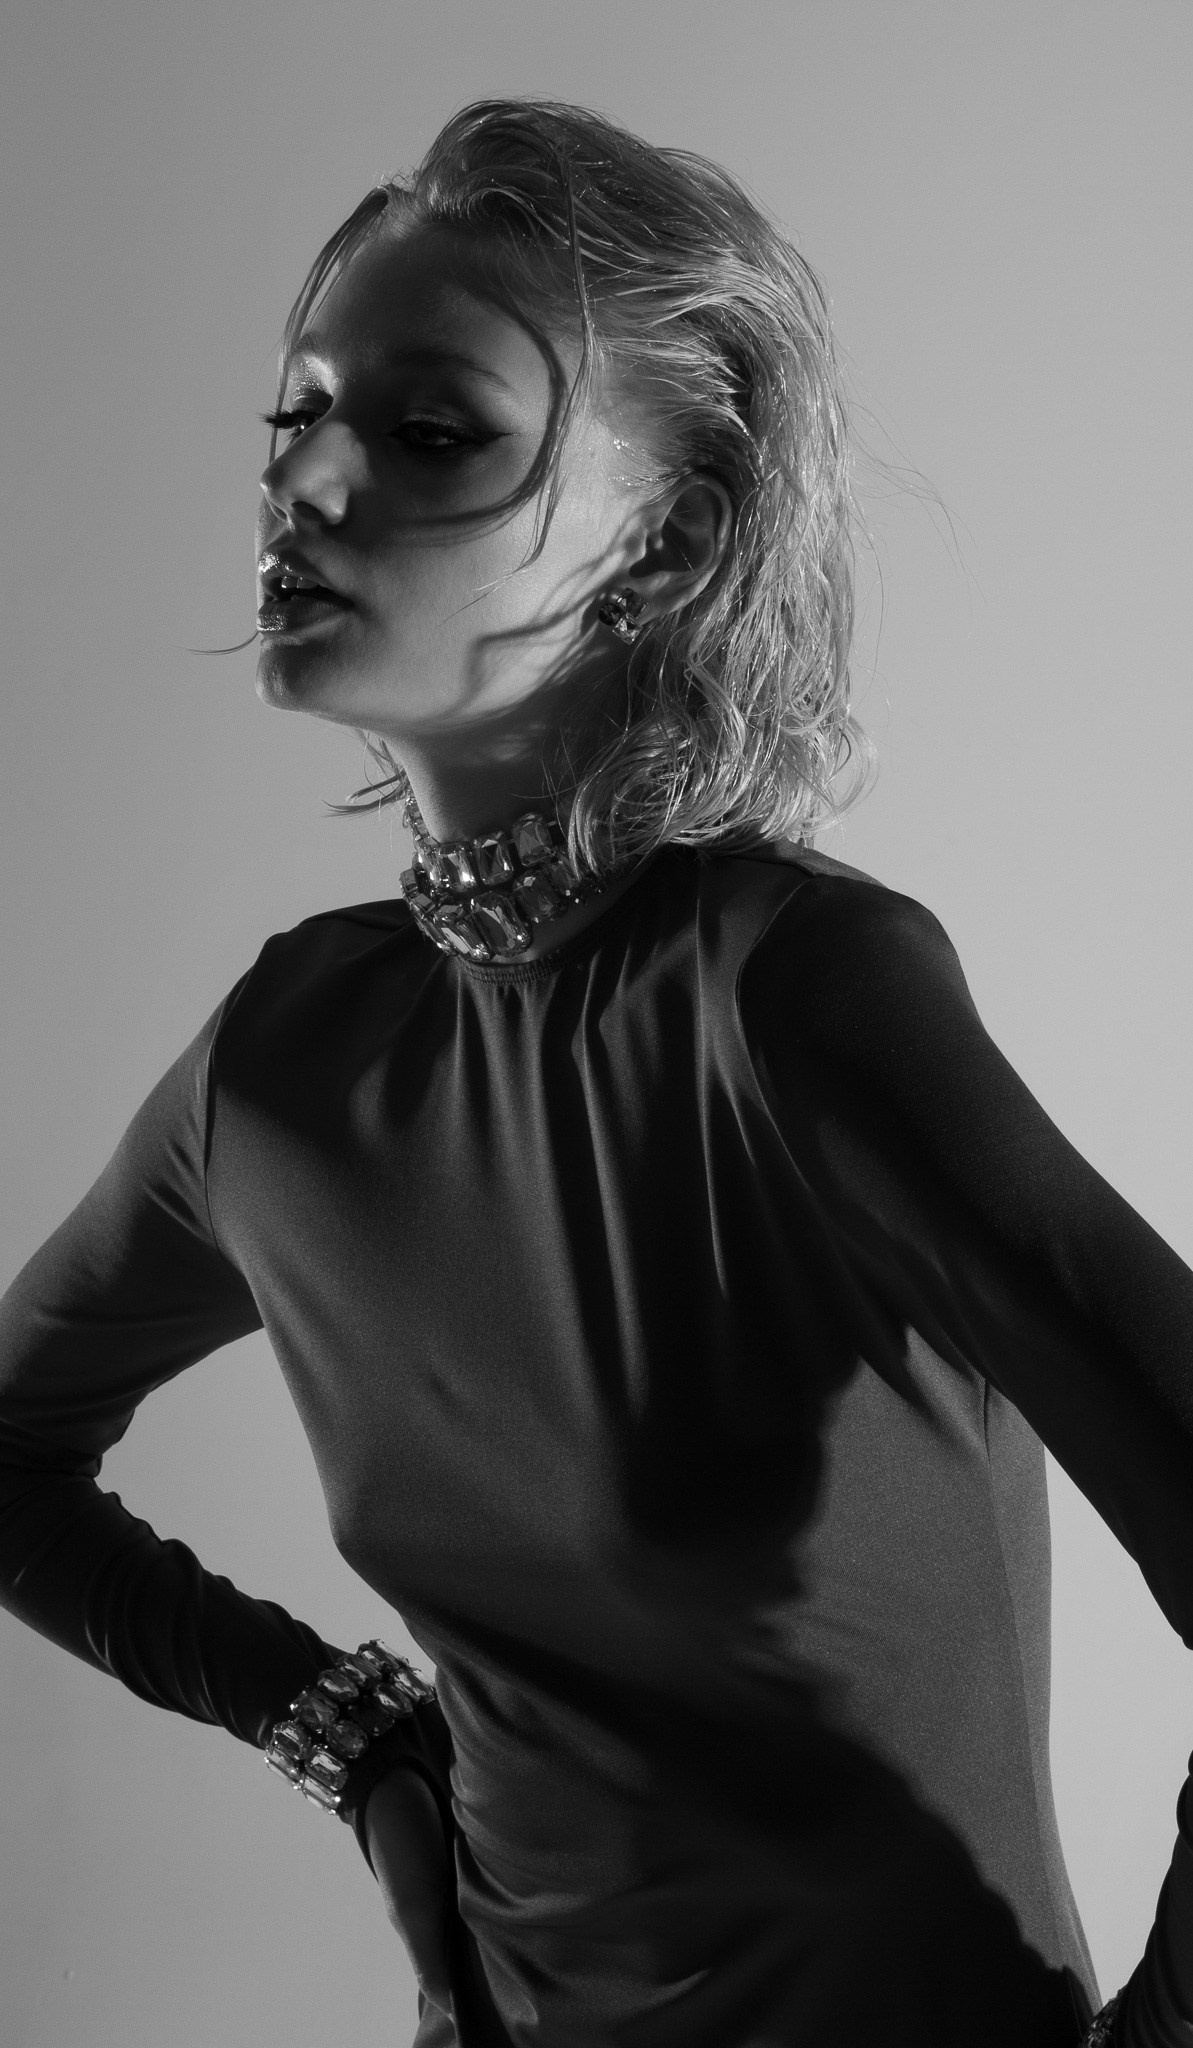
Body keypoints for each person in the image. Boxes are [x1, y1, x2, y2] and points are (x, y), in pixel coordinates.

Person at [0, 96, 1190, 2048]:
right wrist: (355, 1744)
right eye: (295, 414)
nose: (303, 479)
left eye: (430, 431)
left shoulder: (792, 998)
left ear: (668, 539)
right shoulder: (283, 1064)